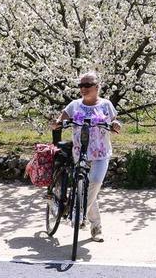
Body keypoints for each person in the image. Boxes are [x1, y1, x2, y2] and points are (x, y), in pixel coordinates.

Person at [53, 72, 121, 242]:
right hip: (80, 152)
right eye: (81, 86)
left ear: (97, 87)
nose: (83, 89)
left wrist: (116, 125)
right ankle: (96, 228)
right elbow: (62, 117)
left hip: (101, 152)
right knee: (85, 188)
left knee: (95, 182)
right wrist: (58, 122)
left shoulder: (106, 105)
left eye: (87, 85)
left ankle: (79, 213)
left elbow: (114, 122)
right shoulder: (75, 105)